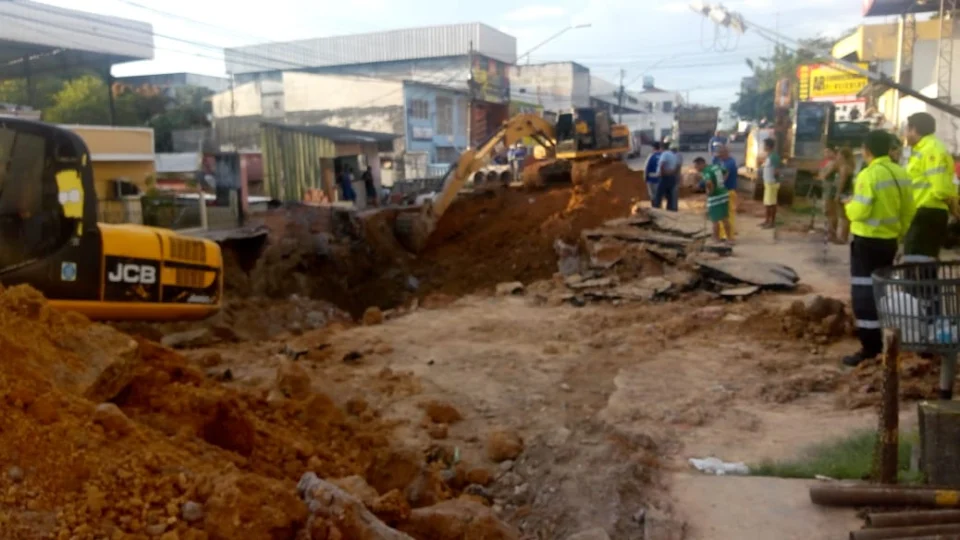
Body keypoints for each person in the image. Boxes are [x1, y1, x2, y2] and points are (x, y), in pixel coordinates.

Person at [842, 130, 916, 368]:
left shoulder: (869, 174)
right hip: (889, 242)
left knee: (864, 294)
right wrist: (899, 233)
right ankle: (884, 341)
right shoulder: (900, 173)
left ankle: (870, 347)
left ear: (867, 150)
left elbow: (860, 210)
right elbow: (908, 211)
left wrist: (849, 206)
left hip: (866, 242)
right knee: (881, 290)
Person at [903, 112, 959, 265]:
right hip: (925, 213)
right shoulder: (925, 149)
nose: (906, 135)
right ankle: (920, 289)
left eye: (907, 130)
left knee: (918, 264)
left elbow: (940, 189)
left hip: (927, 213)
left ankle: (920, 290)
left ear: (914, 129)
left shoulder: (931, 149)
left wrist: (953, 209)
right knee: (919, 262)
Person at [820, 145, 855, 244]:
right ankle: (840, 236)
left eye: (839, 154)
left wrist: (837, 194)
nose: (837, 156)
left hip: (844, 193)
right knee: (843, 216)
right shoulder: (847, 166)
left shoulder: (844, 167)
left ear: (843, 156)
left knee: (843, 216)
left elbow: (842, 182)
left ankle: (843, 237)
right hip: (846, 192)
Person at [694, 157, 732, 244]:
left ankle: (716, 238)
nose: (696, 169)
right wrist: (722, 182)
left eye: (696, 167)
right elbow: (726, 171)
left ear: (701, 164)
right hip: (724, 193)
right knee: (725, 218)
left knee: (715, 219)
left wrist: (710, 192)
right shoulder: (715, 166)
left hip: (715, 197)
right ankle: (730, 239)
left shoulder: (706, 172)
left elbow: (709, 183)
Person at [713, 144, 738, 239]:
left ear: (725, 153)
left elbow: (723, 178)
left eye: (720, 154)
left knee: (728, 214)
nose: (718, 156)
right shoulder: (722, 162)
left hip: (729, 191)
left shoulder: (729, 163)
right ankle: (723, 234)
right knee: (722, 214)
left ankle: (728, 235)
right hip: (723, 191)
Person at [758, 138, 781, 229]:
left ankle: (771, 222)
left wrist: (774, 180)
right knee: (768, 203)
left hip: (771, 183)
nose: (763, 147)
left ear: (768, 146)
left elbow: (776, 171)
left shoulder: (773, 157)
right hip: (768, 182)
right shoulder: (769, 156)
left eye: (764, 145)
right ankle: (767, 220)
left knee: (771, 203)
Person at [654, 143, 679, 212]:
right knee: (670, 196)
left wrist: (662, 173)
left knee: (658, 195)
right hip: (672, 177)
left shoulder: (664, 154)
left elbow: (662, 164)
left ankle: (655, 210)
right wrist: (672, 172)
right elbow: (677, 166)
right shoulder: (674, 155)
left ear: (662, 147)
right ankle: (670, 210)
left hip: (664, 177)